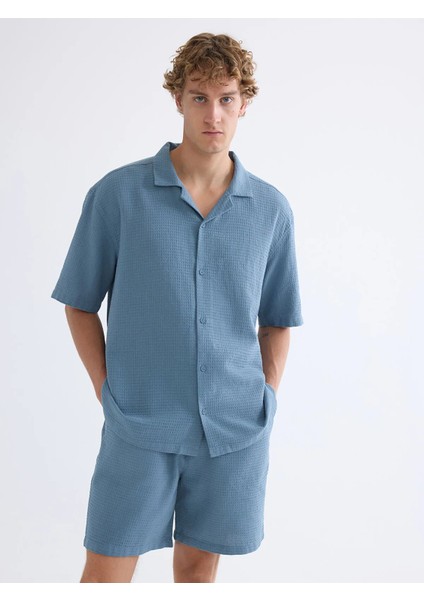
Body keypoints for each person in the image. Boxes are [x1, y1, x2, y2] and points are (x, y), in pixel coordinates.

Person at [51, 32, 304, 583]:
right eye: (199, 98)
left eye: (227, 98)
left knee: (195, 573)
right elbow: (79, 303)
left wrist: (265, 396)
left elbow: (278, 319)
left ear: (244, 102)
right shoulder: (118, 195)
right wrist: (107, 391)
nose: (214, 114)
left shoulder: (270, 209)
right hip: (138, 422)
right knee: (105, 572)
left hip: (234, 429)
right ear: (178, 99)